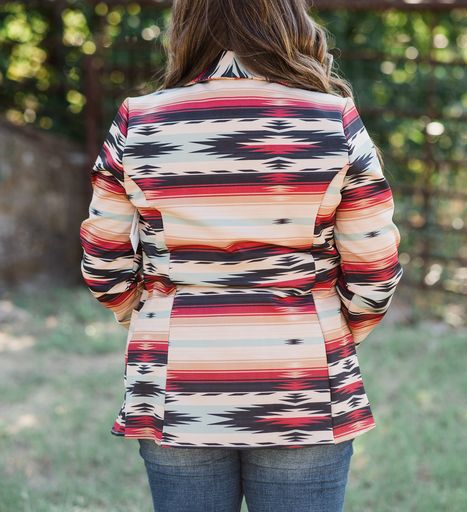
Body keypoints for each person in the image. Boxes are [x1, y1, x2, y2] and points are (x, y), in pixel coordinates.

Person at [79, 0, 404, 510]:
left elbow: (104, 260)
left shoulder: (138, 120)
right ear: (287, 20)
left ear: (186, 26)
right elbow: (375, 270)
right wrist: (334, 328)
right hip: (304, 380)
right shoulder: (331, 118)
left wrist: (146, 316)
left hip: (176, 376)